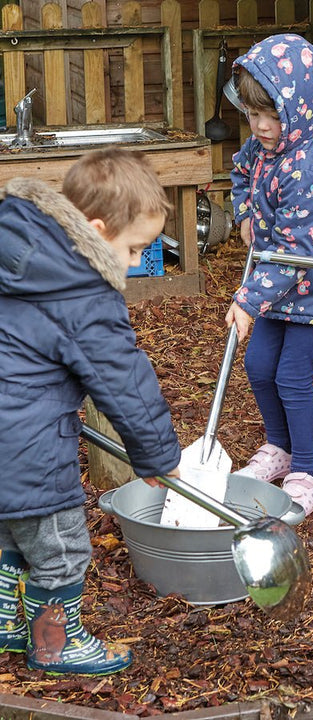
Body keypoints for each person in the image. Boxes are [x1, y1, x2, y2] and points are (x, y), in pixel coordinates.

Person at [0, 148, 182, 674]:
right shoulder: (81, 286)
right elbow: (122, 380)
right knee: (59, 549)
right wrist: (156, 455)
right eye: (133, 249)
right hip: (30, 445)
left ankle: (7, 624)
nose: (130, 263)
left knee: (9, 530)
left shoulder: (20, 249)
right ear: (97, 230)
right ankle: (57, 646)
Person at [224, 34, 313, 516]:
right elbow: (240, 172)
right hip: (277, 288)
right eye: (251, 113)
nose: (259, 126)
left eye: (271, 115)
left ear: (302, 109)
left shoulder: (310, 166)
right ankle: (279, 448)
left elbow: (296, 251)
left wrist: (247, 300)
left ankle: (307, 471)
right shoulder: (262, 147)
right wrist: (243, 212)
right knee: (259, 367)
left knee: (291, 376)